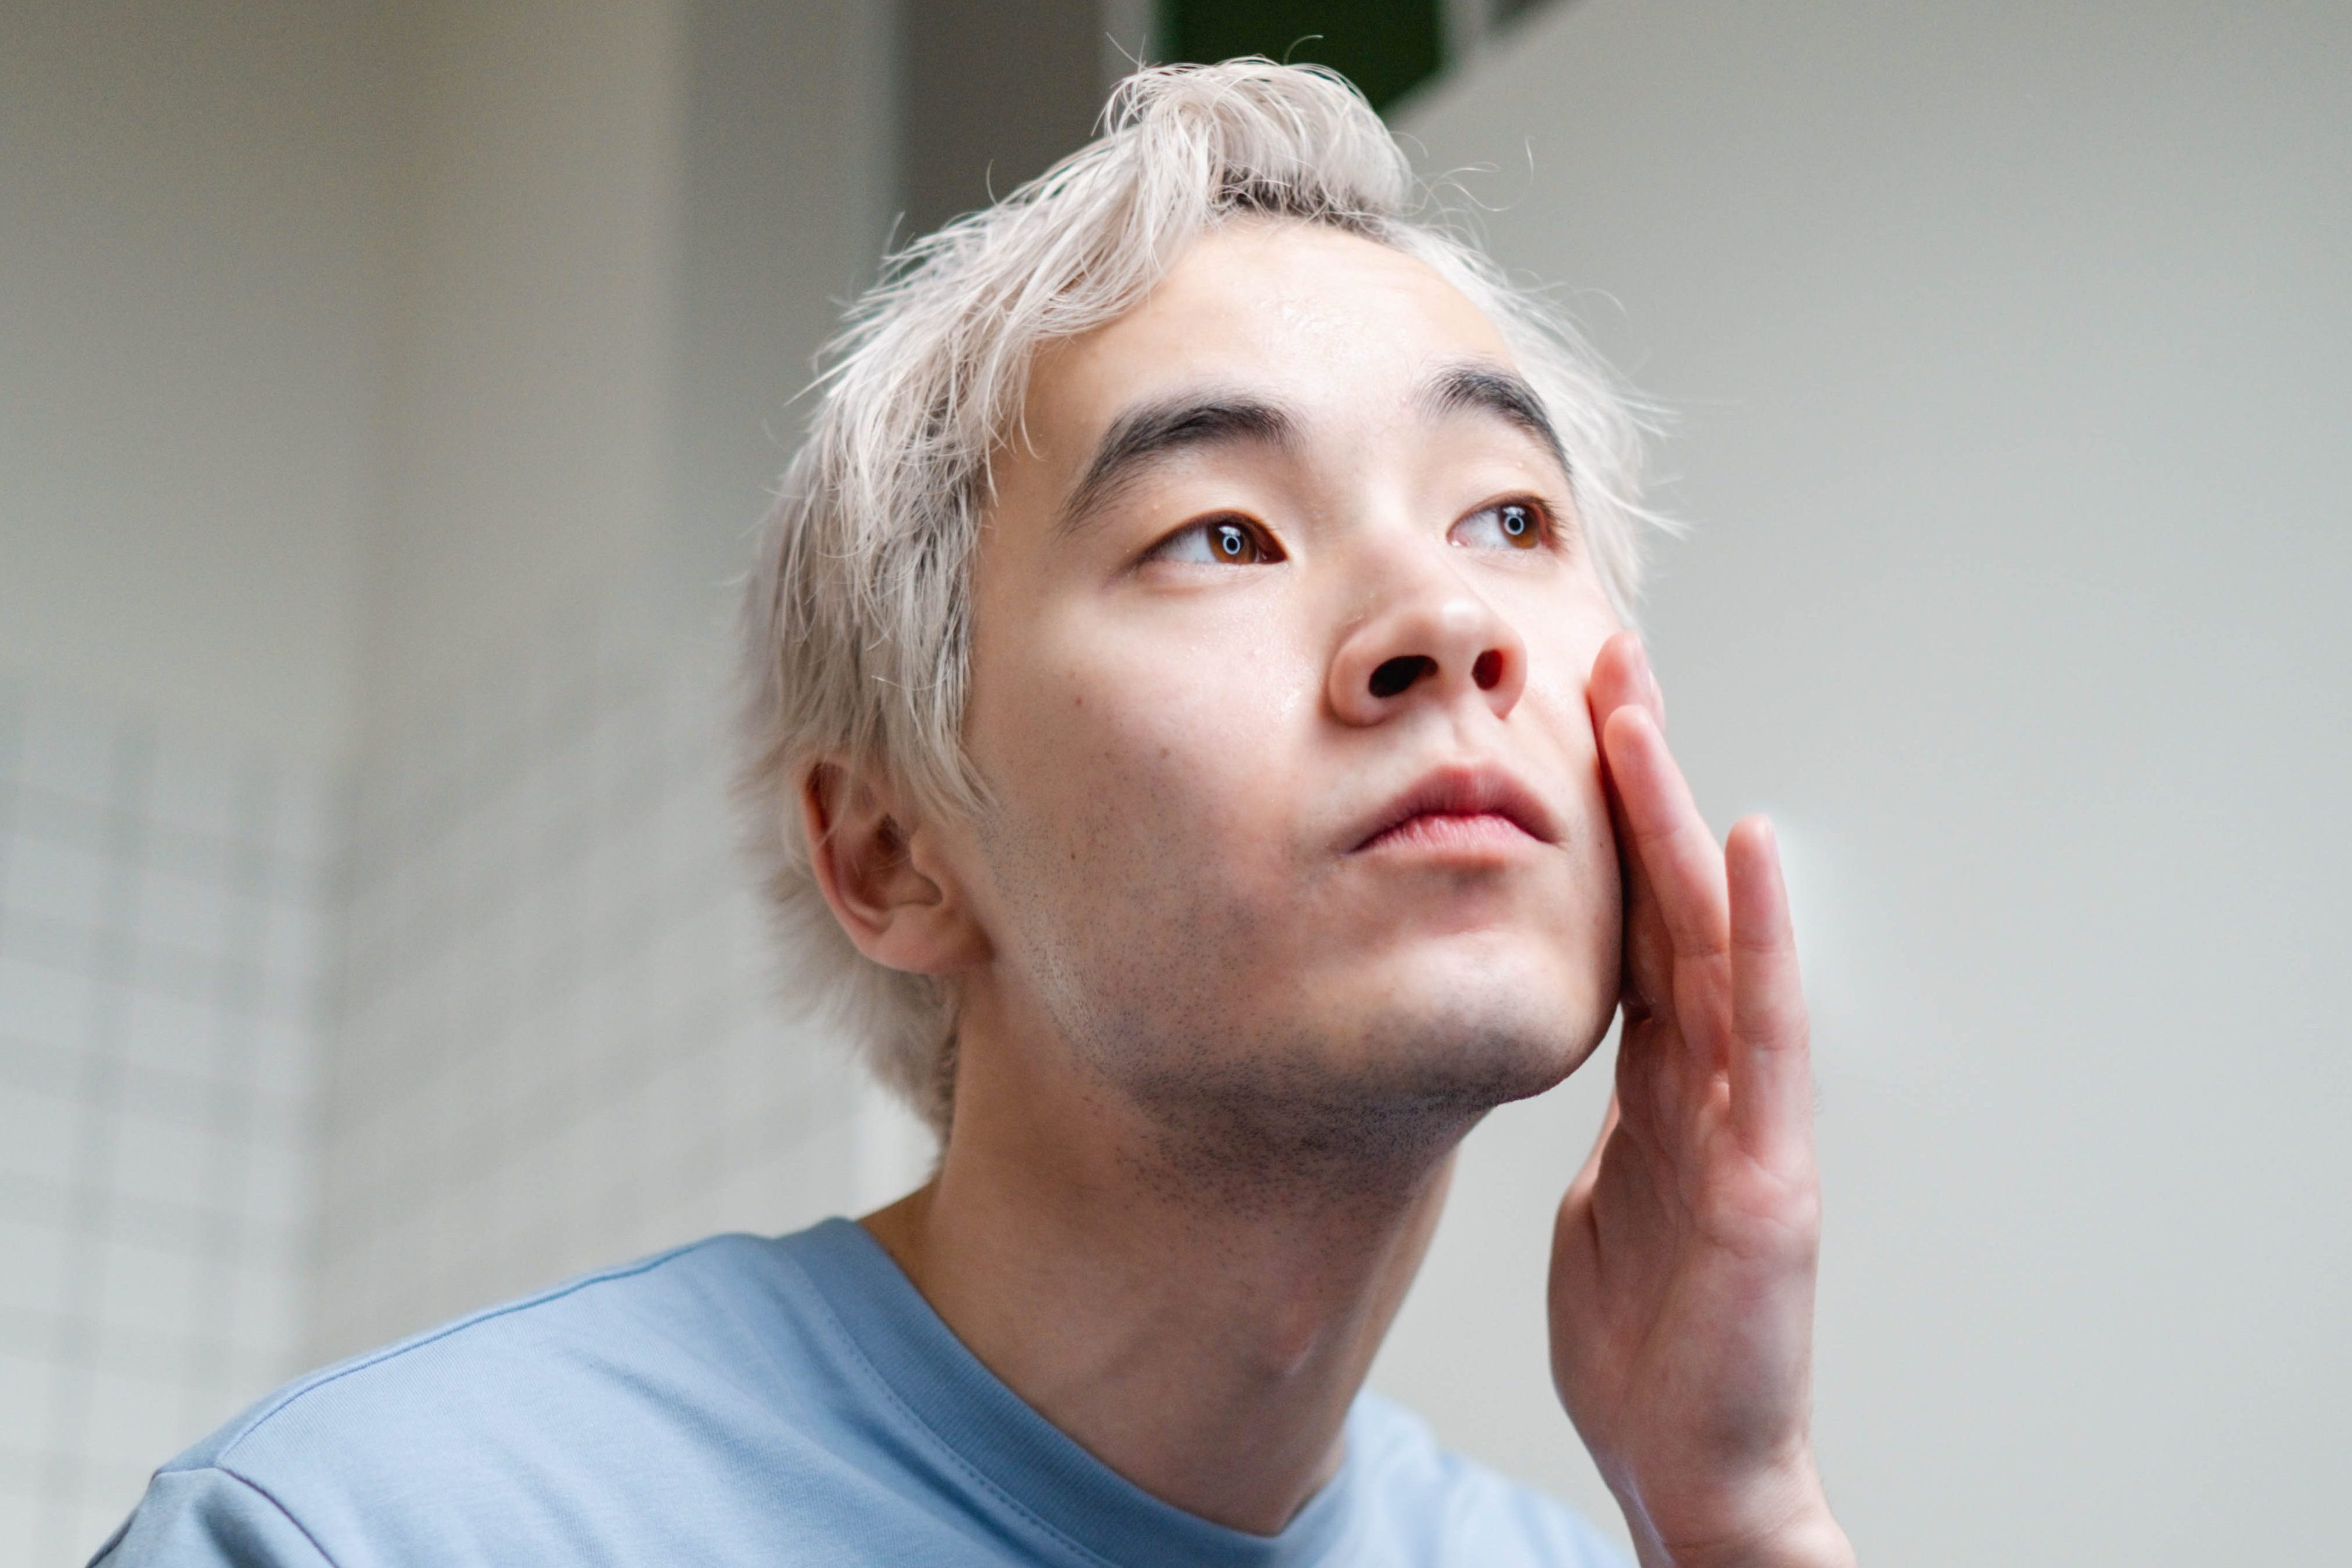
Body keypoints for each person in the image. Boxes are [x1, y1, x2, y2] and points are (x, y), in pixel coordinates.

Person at [99, 61, 1853, 1568]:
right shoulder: (366, 1534)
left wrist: (1736, 1508)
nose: (1446, 623)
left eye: (1509, 521)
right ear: (890, 849)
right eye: (1221, 532)